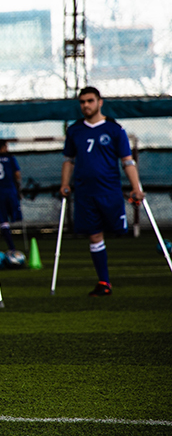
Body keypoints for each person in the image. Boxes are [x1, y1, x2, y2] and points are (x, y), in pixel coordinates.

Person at [59, 86, 143, 297]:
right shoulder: (75, 130)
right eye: (82, 102)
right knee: (94, 235)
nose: (86, 105)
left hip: (110, 191)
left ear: (99, 102)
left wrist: (136, 187)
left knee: (118, 231)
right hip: (85, 193)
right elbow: (68, 160)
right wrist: (65, 183)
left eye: (90, 101)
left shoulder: (115, 129)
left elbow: (127, 161)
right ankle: (104, 281)